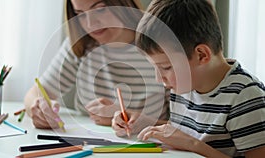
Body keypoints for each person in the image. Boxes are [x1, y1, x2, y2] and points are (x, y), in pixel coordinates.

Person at [112, 0, 265, 157]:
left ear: (201, 55)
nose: (159, 78)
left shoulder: (245, 96)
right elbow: (186, 132)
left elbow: (191, 140)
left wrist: (194, 145)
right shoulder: (186, 85)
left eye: (166, 67)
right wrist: (145, 123)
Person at [24, 0, 169, 129]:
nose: (90, 24)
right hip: (87, 145)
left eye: (100, 9)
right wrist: (37, 108)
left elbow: (185, 128)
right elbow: (38, 91)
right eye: (80, 13)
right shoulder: (81, 45)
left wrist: (129, 119)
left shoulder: (160, 45)